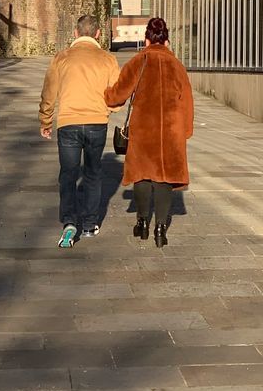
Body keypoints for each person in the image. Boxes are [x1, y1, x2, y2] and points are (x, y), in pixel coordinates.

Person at [105, 17, 194, 247]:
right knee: (164, 178)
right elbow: (187, 101)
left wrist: (106, 95)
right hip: (170, 130)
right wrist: (185, 130)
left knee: (142, 174)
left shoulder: (138, 61)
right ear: (167, 41)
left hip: (143, 128)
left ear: (146, 39)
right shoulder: (176, 65)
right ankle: (160, 229)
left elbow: (118, 93)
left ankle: (142, 222)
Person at [39, 13, 120, 248]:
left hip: (68, 123)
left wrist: (45, 121)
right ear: (97, 34)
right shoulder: (107, 59)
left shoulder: (61, 58)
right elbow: (116, 94)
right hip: (96, 123)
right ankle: (90, 224)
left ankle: (69, 221)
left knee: (68, 174)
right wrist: (109, 109)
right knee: (93, 173)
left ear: (75, 33)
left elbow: (49, 93)